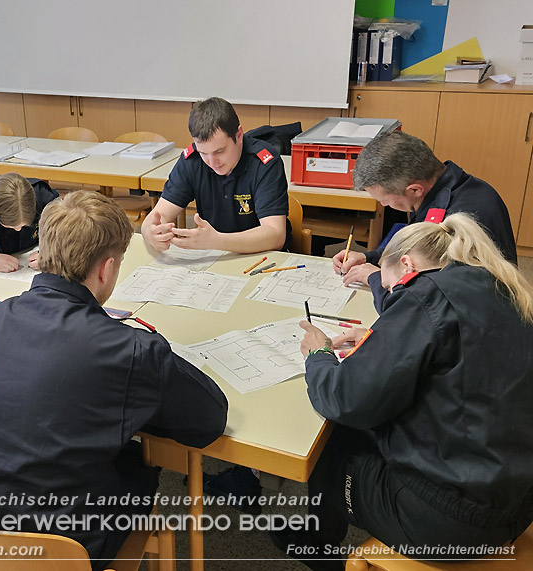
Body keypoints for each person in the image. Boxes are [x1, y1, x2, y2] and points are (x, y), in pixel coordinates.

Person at [0, 191, 228, 570]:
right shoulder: (131, 349)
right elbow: (208, 422)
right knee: (140, 467)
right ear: (106, 269)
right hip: (57, 550)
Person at [278, 213, 533, 571]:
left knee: (335, 438)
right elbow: (452, 357)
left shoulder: (423, 296)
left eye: (389, 288)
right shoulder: (499, 286)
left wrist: (318, 354)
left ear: (408, 265)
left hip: (450, 523)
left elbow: (343, 399)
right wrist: (380, 341)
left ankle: (317, 549)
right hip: (514, 500)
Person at [333, 131, 516, 311]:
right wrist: (369, 257)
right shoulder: (448, 189)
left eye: (385, 200)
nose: (384, 205)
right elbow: (416, 249)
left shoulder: (459, 221)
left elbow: (422, 305)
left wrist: (375, 278)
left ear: (414, 190)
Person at [141, 96, 289, 254]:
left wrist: (217, 241)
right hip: (214, 256)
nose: (212, 162)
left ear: (239, 135)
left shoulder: (264, 162)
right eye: (204, 152)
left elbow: (275, 235)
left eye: (220, 151)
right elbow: (159, 215)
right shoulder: (192, 160)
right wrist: (150, 232)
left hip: (261, 256)